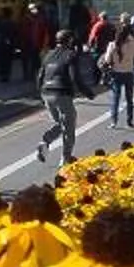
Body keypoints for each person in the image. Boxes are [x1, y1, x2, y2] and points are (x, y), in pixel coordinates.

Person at [36, 28, 82, 168]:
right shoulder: (71, 54)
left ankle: (45, 142)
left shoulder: (48, 54)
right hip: (61, 93)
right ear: (70, 40)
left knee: (61, 123)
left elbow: (40, 76)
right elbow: (75, 76)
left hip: (46, 93)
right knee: (69, 127)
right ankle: (65, 159)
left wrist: (40, 93)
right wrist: (85, 91)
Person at [100, 22, 134, 131]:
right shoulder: (132, 44)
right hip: (129, 73)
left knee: (115, 98)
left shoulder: (112, 45)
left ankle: (113, 122)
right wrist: (133, 39)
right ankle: (129, 122)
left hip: (116, 74)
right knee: (129, 99)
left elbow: (106, 60)